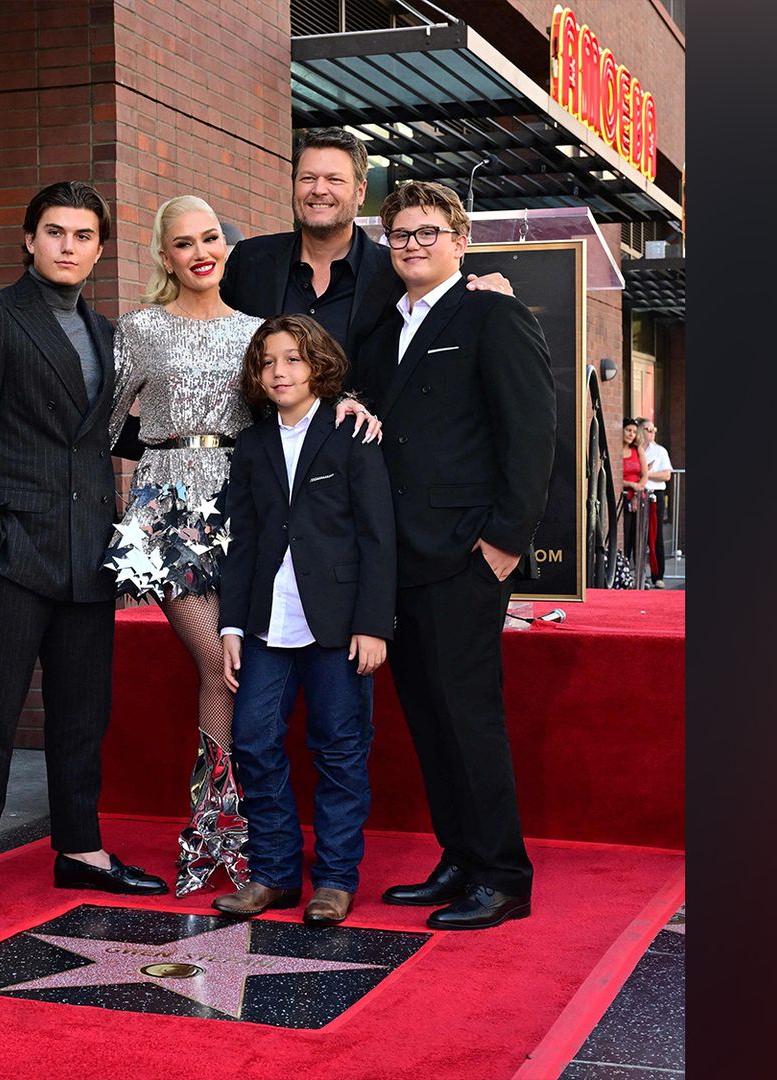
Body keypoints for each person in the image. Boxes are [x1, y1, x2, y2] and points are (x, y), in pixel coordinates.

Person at [105, 195, 380, 897]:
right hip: (172, 514)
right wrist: (156, 460)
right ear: (163, 255)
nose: (200, 253)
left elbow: (297, 400)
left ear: (224, 249)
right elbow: (102, 427)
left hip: (255, 509)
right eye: (183, 243)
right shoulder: (138, 330)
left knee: (240, 669)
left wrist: (346, 402)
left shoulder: (257, 335)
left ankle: (242, 848)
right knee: (218, 663)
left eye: (210, 239)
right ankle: (216, 840)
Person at [0, 181, 169, 927]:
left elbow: (104, 436)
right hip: (11, 555)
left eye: (83, 236)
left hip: (87, 555)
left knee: (81, 715)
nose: (69, 246)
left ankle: (80, 850)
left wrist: (207, 433)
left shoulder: (107, 334)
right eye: (55, 232)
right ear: (30, 240)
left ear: (100, 249)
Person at [349, 181, 556, 931]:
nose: (413, 244)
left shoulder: (490, 313)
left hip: (465, 556)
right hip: (394, 560)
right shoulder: (378, 332)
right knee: (430, 719)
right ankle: (460, 857)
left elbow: (531, 434)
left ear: (460, 240)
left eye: (428, 232)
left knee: (469, 718)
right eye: (400, 234)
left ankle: (503, 875)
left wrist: (503, 543)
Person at [211, 315, 396, 927]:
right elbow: (242, 543)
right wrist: (231, 626)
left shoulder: (350, 435)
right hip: (266, 624)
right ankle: (274, 874)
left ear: (317, 365)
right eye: (267, 362)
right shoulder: (254, 446)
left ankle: (337, 881)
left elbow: (377, 535)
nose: (280, 371)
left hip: (339, 625)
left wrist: (374, 624)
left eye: (292, 359)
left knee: (340, 750)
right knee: (255, 739)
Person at [220, 128, 511, 358]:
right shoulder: (250, 260)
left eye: (334, 180)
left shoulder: (398, 270)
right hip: (261, 433)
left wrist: (488, 293)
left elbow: (448, 306)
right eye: (308, 178)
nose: (318, 190)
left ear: (360, 192)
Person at [638, 418, 674, 587]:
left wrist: (645, 473)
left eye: (654, 429)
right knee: (636, 537)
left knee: (656, 535)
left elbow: (666, 475)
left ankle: (657, 576)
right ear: (641, 431)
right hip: (637, 493)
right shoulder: (634, 450)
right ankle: (638, 575)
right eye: (648, 429)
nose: (652, 433)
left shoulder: (660, 451)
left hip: (655, 494)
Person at [619, 418, 648, 589]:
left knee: (638, 538)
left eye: (634, 431)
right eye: (628, 430)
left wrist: (637, 491)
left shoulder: (637, 450)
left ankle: (640, 577)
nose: (631, 434)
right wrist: (630, 484)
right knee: (625, 536)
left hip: (638, 498)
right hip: (622, 497)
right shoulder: (616, 451)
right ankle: (625, 575)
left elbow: (644, 474)